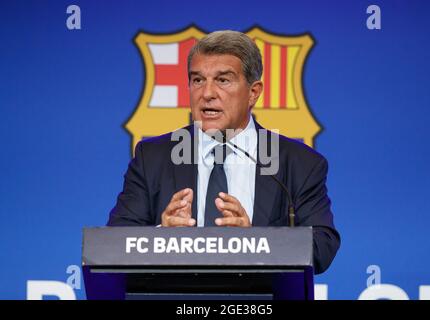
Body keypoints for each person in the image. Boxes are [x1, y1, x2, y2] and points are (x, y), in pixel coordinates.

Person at [108, 30, 340, 274]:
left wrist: (255, 242)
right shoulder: (153, 157)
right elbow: (114, 243)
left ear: (254, 92)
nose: (207, 94)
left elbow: (322, 246)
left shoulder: (299, 162)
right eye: (198, 80)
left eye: (223, 80)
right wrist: (159, 240)